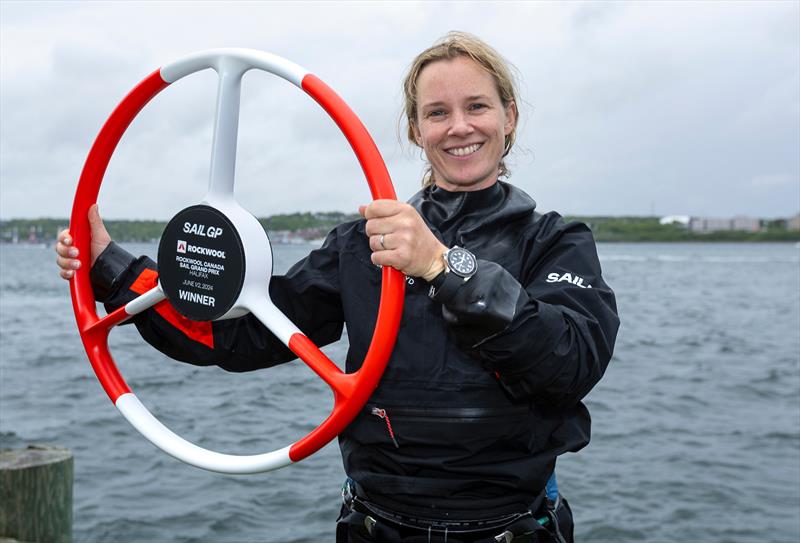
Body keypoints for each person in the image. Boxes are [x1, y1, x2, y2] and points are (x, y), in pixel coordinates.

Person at [57, 32, 619, 542]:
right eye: (437, 112)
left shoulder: (556, 241)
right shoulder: (361, 244)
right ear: (416, 130)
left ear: (509, 117)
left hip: (510, 527)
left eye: (477, 107)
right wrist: (114, 270)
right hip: (375, 524)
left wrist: (445, 267)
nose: (459, 127)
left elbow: (567, 365)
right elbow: (241, 336)